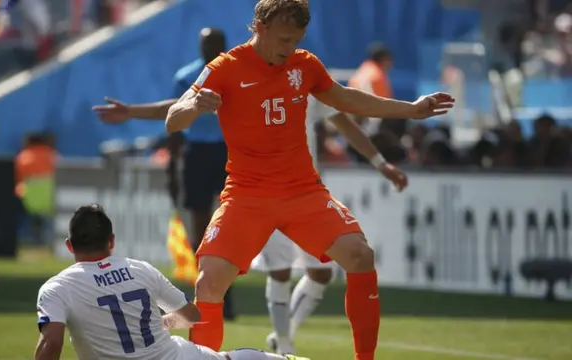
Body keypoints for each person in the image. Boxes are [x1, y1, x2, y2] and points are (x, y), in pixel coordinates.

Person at [165, 1, 454, 359]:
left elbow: (346, 99)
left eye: (296, 40)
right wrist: (192, 107)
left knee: (360, 256)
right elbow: (172, 119)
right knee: (208, 281)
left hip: (302, 192)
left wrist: (410, 108)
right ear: (259, 25)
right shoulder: (225, 67)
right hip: (246, 195)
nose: (289, 49)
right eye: (284, 39)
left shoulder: (305, 65)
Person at [34, 204, 308, 360]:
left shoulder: (57, 289)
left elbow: (52, 343)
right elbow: (191, 316)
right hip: (173, 357)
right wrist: (164, 322)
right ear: (112, 241)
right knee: (232, 358)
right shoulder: (140, 269)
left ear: (70, 245)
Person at [93, 27, 237, 320]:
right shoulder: (188, 76)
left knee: (228, 225)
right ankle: (208, 294)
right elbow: (171, 114)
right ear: (200, 46)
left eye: (216, 43)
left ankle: (225, 294)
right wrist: (171, 167)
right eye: (206, 43)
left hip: (230, 154)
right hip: (197, 153)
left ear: (224, 45)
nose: (211, 48)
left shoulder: (235, 73)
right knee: (200, 225)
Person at [252, 99, 408, 355]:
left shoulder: (305, 81)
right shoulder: (247, 79)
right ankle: (284, 346)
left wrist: (381, 163)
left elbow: (344, 123)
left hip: (306, 194)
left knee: (321, 273)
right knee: (279, 270)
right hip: (264, 192)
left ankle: (285, 335)